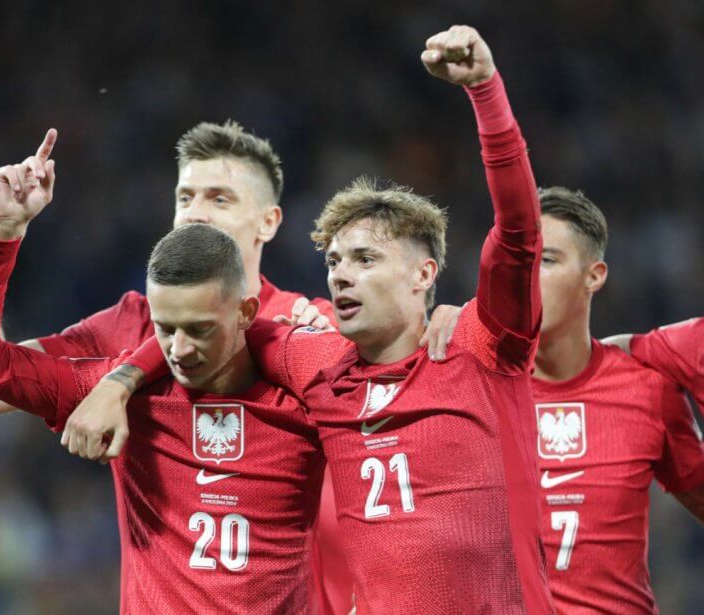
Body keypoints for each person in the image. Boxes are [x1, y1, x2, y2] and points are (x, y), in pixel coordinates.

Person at [99, 25, 554, 613]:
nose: (340, 275)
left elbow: (518, 235)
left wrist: (485, 91)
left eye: (365, 259)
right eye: (334, 261)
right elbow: (214, 327)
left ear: (424, 274)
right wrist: (123, 379)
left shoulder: (479, 346)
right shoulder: (317, 361)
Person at [0, 123, 353, 613]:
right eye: (185, 197)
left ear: (268, 222)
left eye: (219, 199)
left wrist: (125, 378)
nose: (196, 212)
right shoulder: (130, 322)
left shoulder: (312, 328)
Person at [405, 187, 704, 611]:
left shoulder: (648, 388)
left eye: (546, 261)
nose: (526, 278)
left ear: (594, 275)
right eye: (518, 263)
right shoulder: (469, 382)